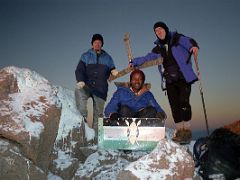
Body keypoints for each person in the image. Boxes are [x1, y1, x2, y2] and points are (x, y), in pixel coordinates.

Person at [130, 21, 199, 143]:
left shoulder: (176, 38)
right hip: (169, 80)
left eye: (160, 29)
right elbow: (147, 58)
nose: (159, 32)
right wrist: (134, 61)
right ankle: (180, 131)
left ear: (166, 29)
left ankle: (186, 131)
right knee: (174, 106)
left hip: (183, 77)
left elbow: (188, 41)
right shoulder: (157, 49)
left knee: (183, 102)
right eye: (156, 31)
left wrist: (193, 46)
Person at [75, 33, 118, 142]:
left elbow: (112, 69)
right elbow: (79, 69)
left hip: (100, 89)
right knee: (79, 91)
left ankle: (96, 138)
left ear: (102, 44)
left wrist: (113, 71)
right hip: (87, 85)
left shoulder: (108, 58)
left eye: (99, 42)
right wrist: (80, 80)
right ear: (92, 44)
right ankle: (82, 118)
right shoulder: (86, 55)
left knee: (98, 115)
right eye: (95, 42)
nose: (97, 44)